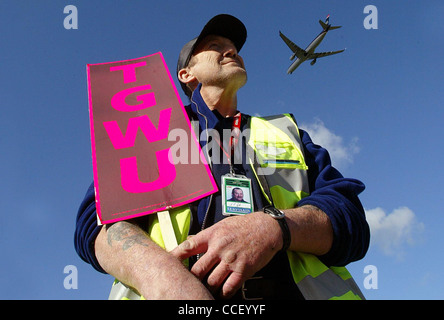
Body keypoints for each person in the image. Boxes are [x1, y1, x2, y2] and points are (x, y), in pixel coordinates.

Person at [75, 14, 370, 300]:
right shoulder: (148, 133)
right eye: (215, 45)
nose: (232, 50)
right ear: (186, 74)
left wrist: (274, 227)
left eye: (234, 47)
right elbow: (96, 224)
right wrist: (162, 276)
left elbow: (350, 218)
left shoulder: (286, 132)